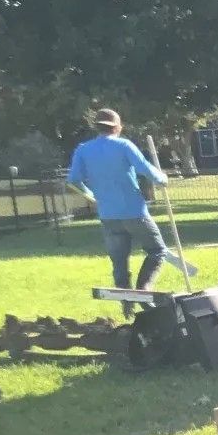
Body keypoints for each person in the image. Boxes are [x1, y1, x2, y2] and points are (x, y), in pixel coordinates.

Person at [66, 109, 170, 304]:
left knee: (119, 262)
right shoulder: (124, 146)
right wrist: (162, 179)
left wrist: (93, 197)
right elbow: (145, 169)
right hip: (134, 212)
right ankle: (143, 291)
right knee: (157, 251)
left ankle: (126, 303)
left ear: (96, 127)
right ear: (117, 127)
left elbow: (73, 180)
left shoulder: (83, 149)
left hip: (108, 216)